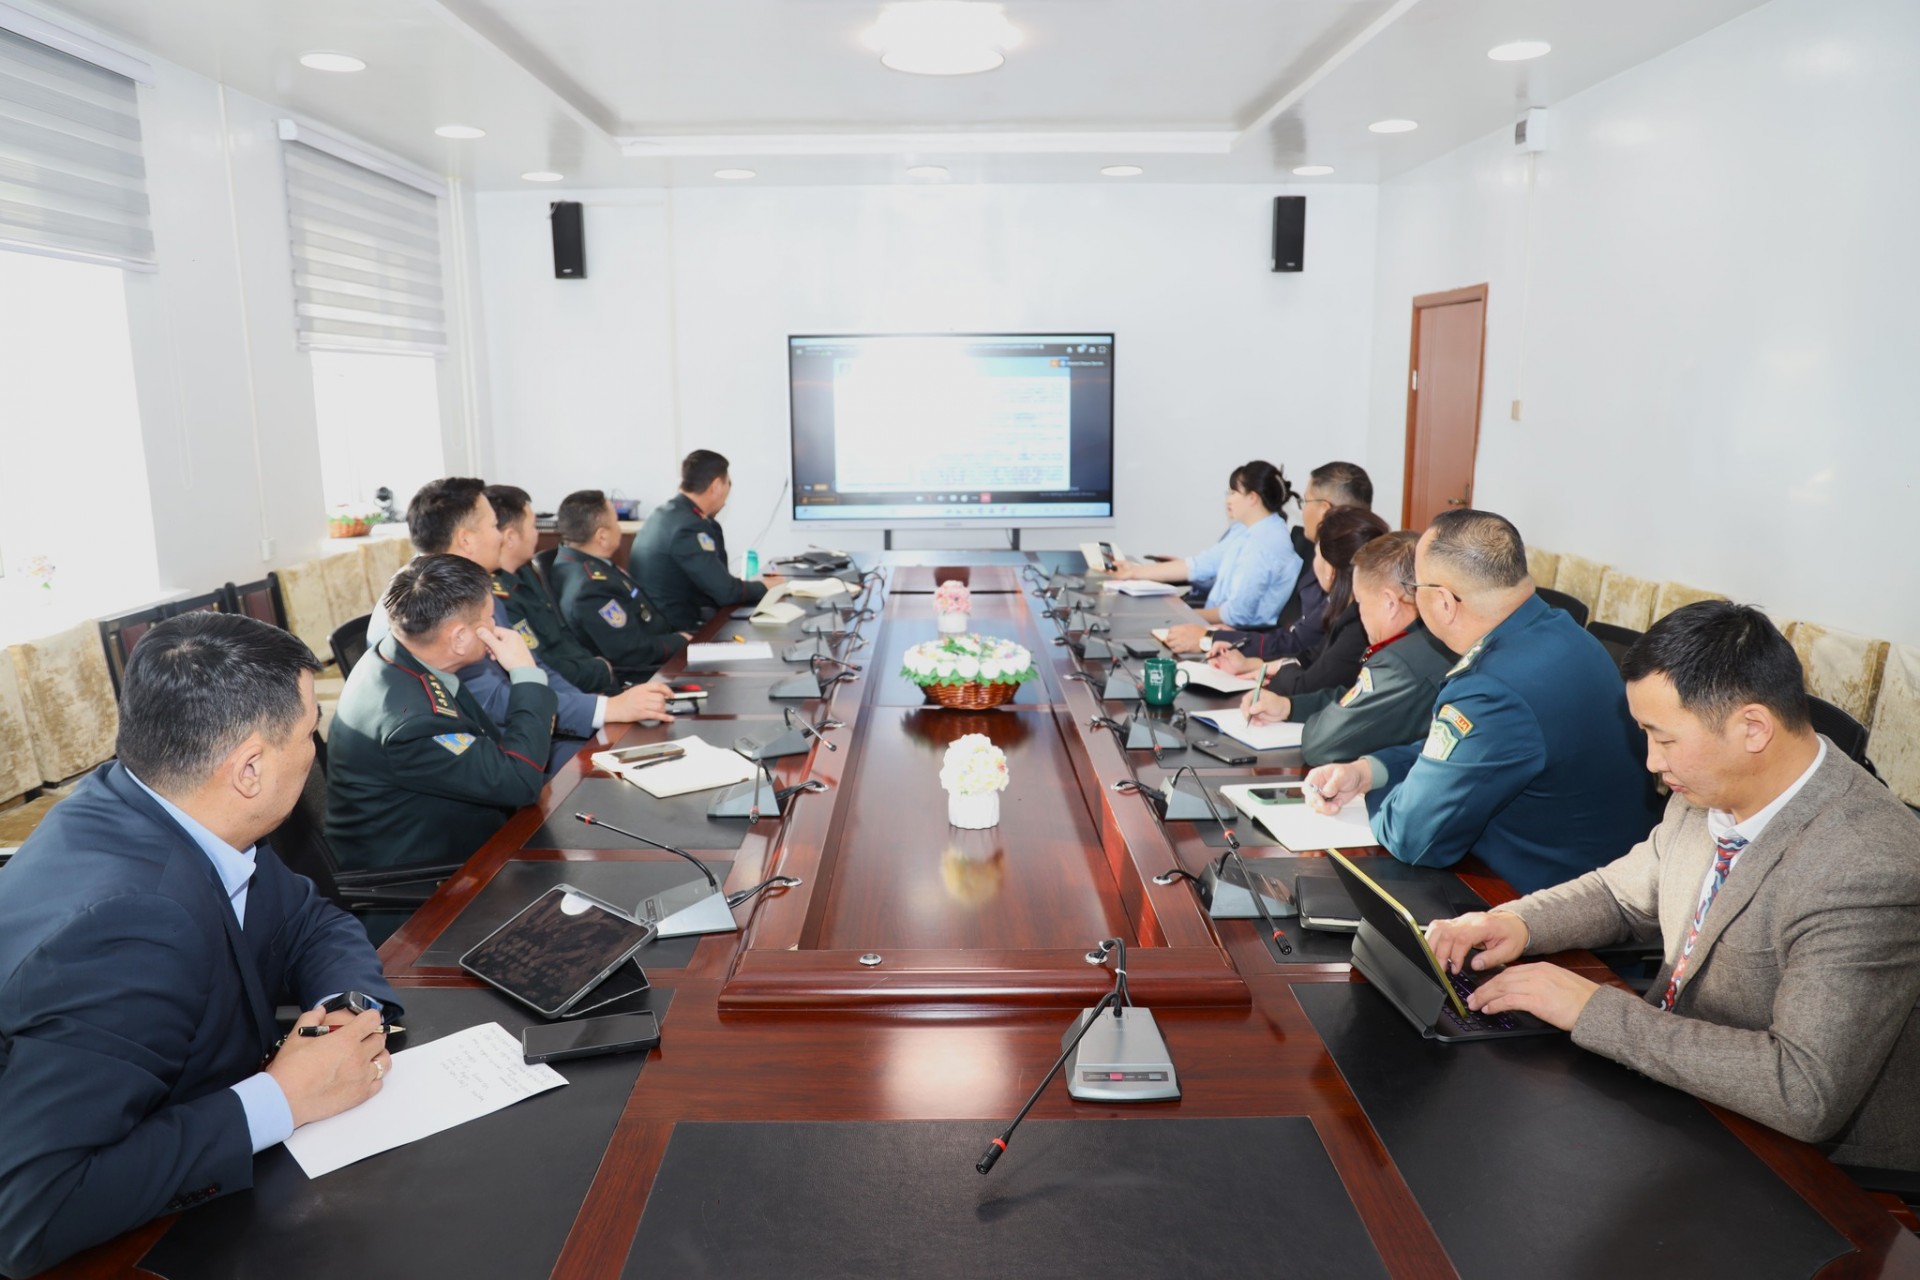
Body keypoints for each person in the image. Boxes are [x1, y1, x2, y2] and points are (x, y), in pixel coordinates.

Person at [1428, 602, 1920, 1170]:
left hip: (1802, 1160)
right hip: (1672, 1078)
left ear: (1753, 728)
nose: (1650, 762)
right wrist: (1517, 921)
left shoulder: (1866, 866)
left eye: (1663, 739)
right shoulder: (1709, 786)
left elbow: (1801, 1088)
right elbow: (1621, 892)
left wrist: (1593, 1010)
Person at [0, 613, 397, 1276]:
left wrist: (346, 1008)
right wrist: (282, 1098)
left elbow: (310, 920)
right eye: (309, 731)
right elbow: (31, 1210)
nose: (315, 747)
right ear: (250, 768)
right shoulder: (128, 929)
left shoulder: (168, 804)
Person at [1303, 509, 1660, 894]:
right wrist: (1369, 770)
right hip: (1603, 875)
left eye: (1416, 587)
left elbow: (1413, 837)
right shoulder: (1566, 635)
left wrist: (1375, 795)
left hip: (1531, 899)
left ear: (1443, 602)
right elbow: (1468, 751)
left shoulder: (1493, 687)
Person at [375, 478, 672, 770]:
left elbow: (534, 666)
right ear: (465, 539)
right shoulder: (424, 606)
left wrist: (597, 706)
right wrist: (604, 710)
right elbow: (493, 700)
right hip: (494, 757)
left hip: (530, 726)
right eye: (494, 526)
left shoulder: (471, 588)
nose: (501, 537)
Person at [326, 554, 558, 872]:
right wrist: (524, 672)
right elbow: (520, 782)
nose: (495, 627)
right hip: (427, 878)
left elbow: (489, 748)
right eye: (490, 619)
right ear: (460, 638)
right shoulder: (415, 724)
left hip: (456, 831)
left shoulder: (400, 653)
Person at [1237, 530, 1456, 766]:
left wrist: (1318, 723)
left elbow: (1321, 745)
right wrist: (1289, 707)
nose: (1359, 613)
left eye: (1360, 602)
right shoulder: (1434, 638)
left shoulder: (1401, 663)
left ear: (1390, 603)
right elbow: (1357, 700)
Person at [1110, 460, 1302, 651]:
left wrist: (1184, 615)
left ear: (1252, 498)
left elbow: (1237, 614)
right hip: (1213, 624)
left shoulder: (1265, 545)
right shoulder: (1245, 530)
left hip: (1233, 635)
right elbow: (1200, 566)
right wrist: (1133, 572)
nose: (1228, 500)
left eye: (1233, 493)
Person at [1214, 505, 1387, 701]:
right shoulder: (1348, 610)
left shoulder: (1358, 625)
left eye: (1316, 553)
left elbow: (1306, 687)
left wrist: (1277, 673)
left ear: (1330, 571)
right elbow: (1311, 657)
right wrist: (1252, 665)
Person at [1209, 460, 1373, 661]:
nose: (1302, 511)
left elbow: (1297, 643)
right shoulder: (1333, 555)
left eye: (1305, 502)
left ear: (1324, 509)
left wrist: (1210, 638)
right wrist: (1235, 635)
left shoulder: (1345, 570)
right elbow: (1292, 631)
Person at [485, 484, 623, 695]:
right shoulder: (497, 599)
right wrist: (599, 671)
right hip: (567, 693)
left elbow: (562, 637)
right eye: (533, 526)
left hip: (585, 680)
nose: (537, 534)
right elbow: (542, 665)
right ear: (511, 537)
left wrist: (595, 666)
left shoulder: (525, 573)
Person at [628, 450, 783, 631]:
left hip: (657, 622)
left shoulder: (665, 514)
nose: (727, 496)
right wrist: (765, 586)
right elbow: (726, 592)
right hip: (677, 631)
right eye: (728, 483)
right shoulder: (689, 527)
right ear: (716, 486)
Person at [552, 489, 693, 679]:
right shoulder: (591, 587)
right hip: (643, 673)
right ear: (602, 536)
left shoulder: (574, 562)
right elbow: (631, 652)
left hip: (655, 646)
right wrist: (679, 641)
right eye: (616, 522)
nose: (619, 528)